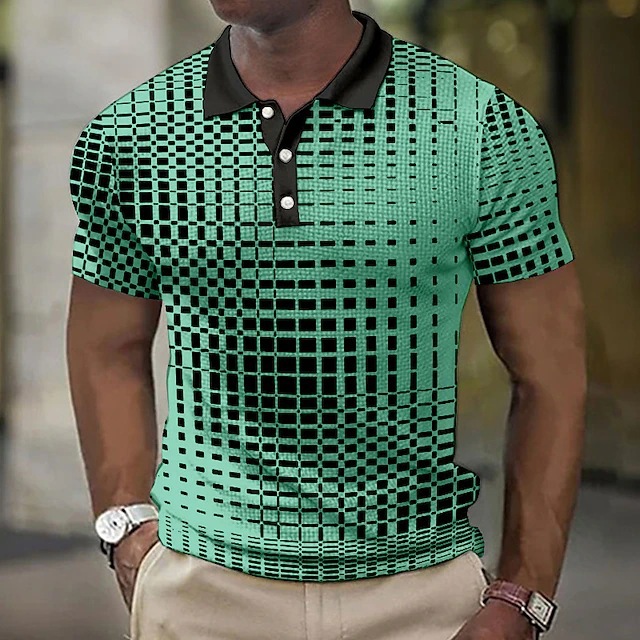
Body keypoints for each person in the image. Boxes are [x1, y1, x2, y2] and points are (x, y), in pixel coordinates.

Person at [65, 2, 586, 639]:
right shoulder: (130, 135)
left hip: (422, 599)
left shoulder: (479, 125)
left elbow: (551, 373)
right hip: (200, 593)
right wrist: (124, 526)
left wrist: (522, 596)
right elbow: (107, 348)